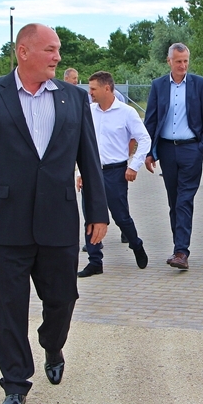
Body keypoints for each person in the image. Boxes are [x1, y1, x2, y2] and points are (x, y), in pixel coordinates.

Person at [0, 23, 108, 404]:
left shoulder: (74, 98)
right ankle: (15, 383)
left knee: (63, 298)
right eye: (50, 49)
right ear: (23, 52)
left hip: (58, 217)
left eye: (58, 49)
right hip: (5, 221)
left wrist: (98, 213)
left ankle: (52, 344)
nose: (58, 56)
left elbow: (89, 159)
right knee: (8, 307)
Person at [143, 42, 203, 270]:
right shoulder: (158, 85)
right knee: (174, 201)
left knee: (184, 200)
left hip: (191, 149)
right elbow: (151, 120)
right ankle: (178, 248)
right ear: (169, 61)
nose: (183, 66)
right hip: (166, 150)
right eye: (178, 61)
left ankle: (181, 251)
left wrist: (202, 148)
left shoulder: (200, 84)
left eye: (185, 61)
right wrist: (149, 152)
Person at [77, 71, 151, 277]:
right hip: (92, 171)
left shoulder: (126, 112)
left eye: (93, 89)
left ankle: (136, 244)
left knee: (120, 216)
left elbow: (144, 139)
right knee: (91, 217)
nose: (90, 93)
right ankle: (95, 261)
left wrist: (134, 166)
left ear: (107, 88)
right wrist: (80, 172)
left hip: (115, 173)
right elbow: (83, 144)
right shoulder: (89, 111)